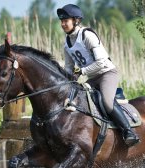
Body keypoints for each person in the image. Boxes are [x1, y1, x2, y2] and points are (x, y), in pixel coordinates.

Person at [57, 4, 140, 147]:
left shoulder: (87, 35)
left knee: (107, 102)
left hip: (107, 73)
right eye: (62, 21)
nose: (63, 24)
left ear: (76, 20)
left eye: (66, 20)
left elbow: (101, 62)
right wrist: (64, 80)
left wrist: (82, 72)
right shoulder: (67, 43)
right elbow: (69, 68)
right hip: (92, 78)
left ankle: (128, 132)